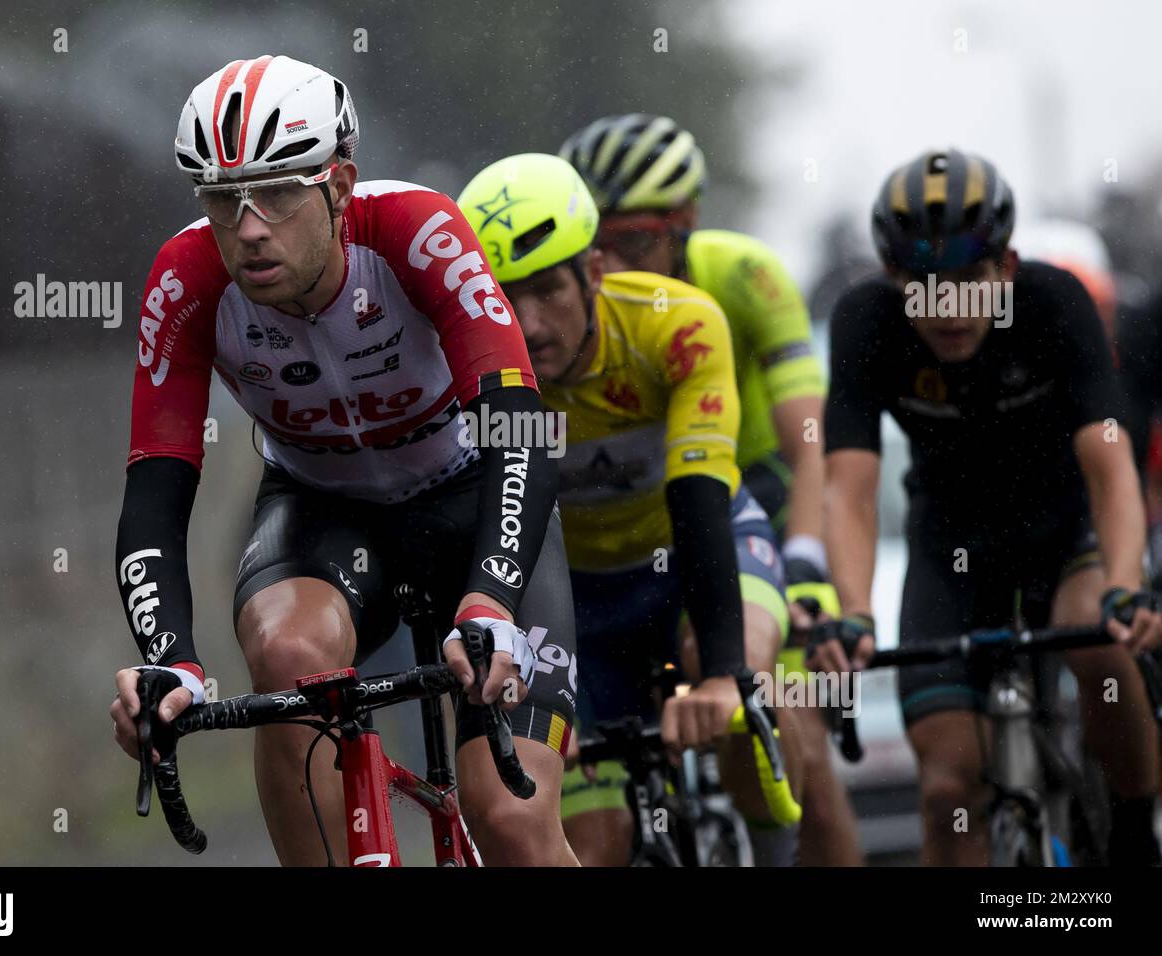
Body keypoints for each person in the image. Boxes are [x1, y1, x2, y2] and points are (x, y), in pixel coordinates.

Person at [107, 55, 579, 866]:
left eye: (280, 192)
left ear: (339, 185)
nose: (250, 226)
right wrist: (168, 661)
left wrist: (492, 595)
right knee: (288, 658)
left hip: (473, 502)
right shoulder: (184, 280)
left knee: (508, 820)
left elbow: (519, 431)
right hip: (323, 507)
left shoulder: (416, 232)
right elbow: (154, 494)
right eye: (223, 199)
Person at [814, 147, 1162, 866]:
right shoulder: (864, 322)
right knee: (946, 788)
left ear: (1005, 268)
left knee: (1094, 636)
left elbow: (1111, 464)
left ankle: (1134, 824)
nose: (947, 310)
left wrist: (1127, 585)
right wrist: (854, 611)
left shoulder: (1053, 302)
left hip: (1067, 531)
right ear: (891, 279)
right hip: (950, 548)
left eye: (967, 283)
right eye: (923, 287)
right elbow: (847, 488)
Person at [458, 153, 804, 866]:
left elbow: (700, 499)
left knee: (743, 701)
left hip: (697, 551)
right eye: (503, 297)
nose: (528, 322)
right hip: (577, 602)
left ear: (593, 271)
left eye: (548, 287)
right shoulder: (476, 373)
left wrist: (720, 674)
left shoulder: (673, 325)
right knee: (592, 836)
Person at [560, 115, 862, 865]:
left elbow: (810, 442)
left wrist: (805, 565)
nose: (614, 266)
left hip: (753, 491)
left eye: (633, 242)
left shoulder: (740, 275)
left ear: (685, 223)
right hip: (629, 539)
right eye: (597, 247)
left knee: (804, 769)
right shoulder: (576, 328)